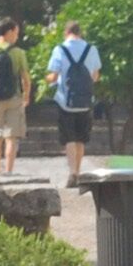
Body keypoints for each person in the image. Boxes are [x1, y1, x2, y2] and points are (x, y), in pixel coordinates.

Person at [45, 18, 104, 171]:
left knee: (69, 138)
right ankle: (78, 170)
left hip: (65, 102)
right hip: (85, 101)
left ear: (66, 33)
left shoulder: (59, 50)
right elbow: (95, 76)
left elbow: (54, 75)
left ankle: (73, 172)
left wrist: (48, 80)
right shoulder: (91, 49)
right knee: (81, 139)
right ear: (80, 32)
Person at [0, 19, 29, 171]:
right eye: (16, 33)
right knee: (11, 137)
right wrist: (26, 96)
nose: (17, 36)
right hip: (14, 98)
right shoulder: (18, 53)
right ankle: (9, 171)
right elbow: (25, 79)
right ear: (9, 32)